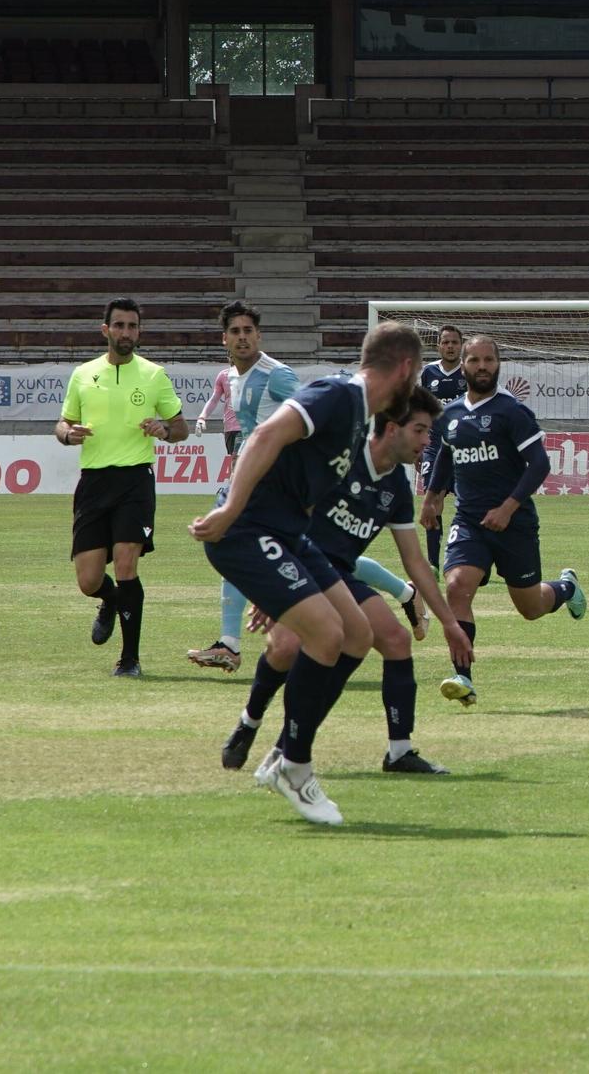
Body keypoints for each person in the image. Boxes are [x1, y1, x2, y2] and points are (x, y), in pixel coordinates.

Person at [189, 320, 432, 826]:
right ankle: (295, 766)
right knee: (324, 633)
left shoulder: (360, 418)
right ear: (406, 369)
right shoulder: (338, 396)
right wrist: (230, 509)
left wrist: (283, 584)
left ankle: (284, 750)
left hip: (289, 536)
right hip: (248, 530)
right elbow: (265, 434)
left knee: (358, 634)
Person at [222, 386, 469, 777]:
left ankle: (398, 752)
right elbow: (285, 516)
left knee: (395, 639)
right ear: (392, 428)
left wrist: (450, 624)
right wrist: (272, 586)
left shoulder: (396, 485)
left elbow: (416, 561)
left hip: (338, 575)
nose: (427, 441)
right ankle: (250, 722)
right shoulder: (341, 460)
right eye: (420, 430)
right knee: (285, 647)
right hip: (298, 568)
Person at [419, 334, 587, 710]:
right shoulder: (451, 414)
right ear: (463, 366)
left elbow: (539, 464)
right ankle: (463, 678)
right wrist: (432, 497)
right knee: (457, 587)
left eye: (489, 360)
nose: (482, 367)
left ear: (498, 364)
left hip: (515, 523)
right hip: (469, 521)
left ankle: (566, 587)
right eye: (474, 360)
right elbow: (446, 453)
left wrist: (508, 508)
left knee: (530, 608)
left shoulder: (511, 411)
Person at [57, 298, 188, 678]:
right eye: (119, 325)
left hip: (135, 480)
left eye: (132, 326)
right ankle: (111, 600)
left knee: (127, 562)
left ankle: (129, 659)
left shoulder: (154, 375)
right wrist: (68, 434)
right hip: (94, 482)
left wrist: (164, 429)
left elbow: (181, 427)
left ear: (139, 331)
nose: (126, 332)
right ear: (106, 330)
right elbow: (63, 423)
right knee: (88, 581)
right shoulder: (83, 374)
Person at [186, 301, 301, 673]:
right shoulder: (232, 377)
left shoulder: (276, 375)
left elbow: (309, 417)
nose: (242, 337)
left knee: (319, 559)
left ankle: (403, 592)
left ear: (259, 335)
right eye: (235, 332)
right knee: (228, 544)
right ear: (224, 339)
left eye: (248, 331)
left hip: (275, 483)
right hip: (248, 478)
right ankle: (229, 644)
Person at [418, 325, 468, 568]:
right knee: (434, 501)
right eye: (445, 342)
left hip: (463, 447)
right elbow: (421, 411)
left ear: (461, 345)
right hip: (434, 446)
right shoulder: (429, 372)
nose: (450, 346)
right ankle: (433, 564)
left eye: (454, 342)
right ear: (438, 345)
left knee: (470, 503)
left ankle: (471, 559)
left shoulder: (469, 372)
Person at [196, 365, 240, 457]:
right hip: (232, 426)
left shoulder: (256, 373)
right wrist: (202, 417)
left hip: (251, 426)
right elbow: (214, 399)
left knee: (245, 458)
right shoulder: (223, 375)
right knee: (236, 459)